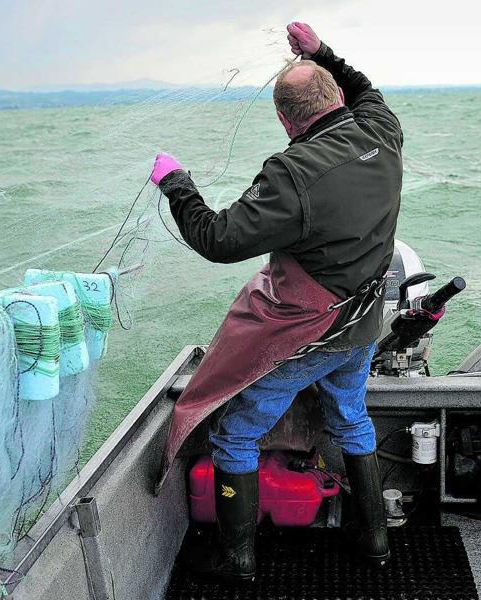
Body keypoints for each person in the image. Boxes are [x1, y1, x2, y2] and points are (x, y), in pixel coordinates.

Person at [151, 21, 403, 582]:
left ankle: (237, 562)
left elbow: (218, 239)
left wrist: (177, 185)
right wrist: (321, 52)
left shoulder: (291, 172)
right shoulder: (384, 130)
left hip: (311, 335)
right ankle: (376, 542)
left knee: (235, 432)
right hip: (365, 323)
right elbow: (366, 91)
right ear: (336, 97)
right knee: (352, 417)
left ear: (285, 121)